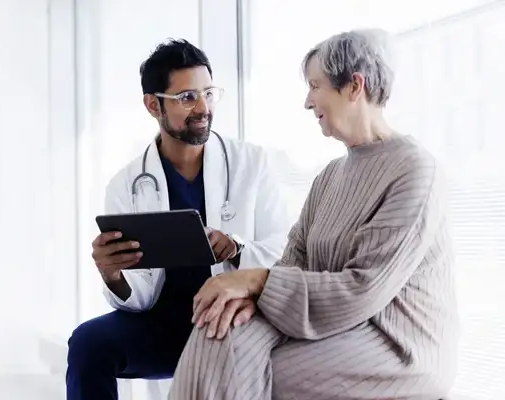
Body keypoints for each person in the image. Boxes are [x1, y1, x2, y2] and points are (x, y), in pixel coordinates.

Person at [168, 29, 461, 400]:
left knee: (253, 369)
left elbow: (363, 288)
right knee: (217, 332)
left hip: (397, 342)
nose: (308, 101)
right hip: (333, 324)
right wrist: (248, 296)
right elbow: (294, 261)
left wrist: (257, 283)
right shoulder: (330, 177)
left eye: (315, 85)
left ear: (354, 86)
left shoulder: (414, 171)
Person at [65, 39, 293, 400]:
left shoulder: (252, 164)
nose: (203, 107)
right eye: (187, 97)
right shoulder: (126, 186)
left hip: (233, 317)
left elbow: (286, 250)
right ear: (153, 105)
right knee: (88, 343)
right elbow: (138, 299)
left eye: (208, 93)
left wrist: (237, 247)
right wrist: (113, 275)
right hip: (162, 326)